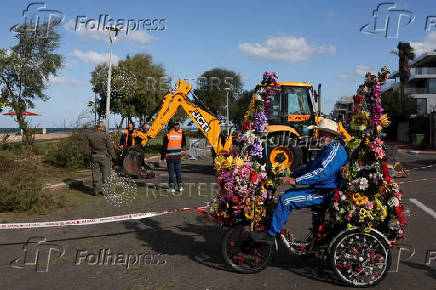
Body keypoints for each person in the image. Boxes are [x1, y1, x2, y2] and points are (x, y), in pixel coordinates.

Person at [250, 119, 349, 244]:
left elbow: (321, 172)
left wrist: (296, 180)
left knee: (286, 200)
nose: (319, 136)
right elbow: (311, 167)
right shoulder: (327, 149)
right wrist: (292, 174)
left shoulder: (335, 151)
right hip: (318, 189)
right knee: (284, 195)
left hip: (325, 193)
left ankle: (270, 235)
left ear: (332, 136)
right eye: (319, 133)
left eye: (323, 134)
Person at [84, 121, 117, 196]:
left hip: (94, 157)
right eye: (104, 127)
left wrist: (86, 157)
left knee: (95, 175)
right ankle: (107, 191)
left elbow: (87, 148)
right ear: (101, 127)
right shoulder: (105, 135)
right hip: (104, 157)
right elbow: (110, 148)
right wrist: (114, 157)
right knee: (106, 175)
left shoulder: (90, 135)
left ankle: (96, 191)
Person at [161, 123, 183, 193]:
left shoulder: (167, 136)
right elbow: (180, 145)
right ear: (174, 128)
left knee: (171, 173)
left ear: (168, 128)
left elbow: (164, 148)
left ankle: (172, 187)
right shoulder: (179, 135)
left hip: (170, 157)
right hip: (178, 156)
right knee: (178, 172)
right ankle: (180, 187)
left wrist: (162, 157)